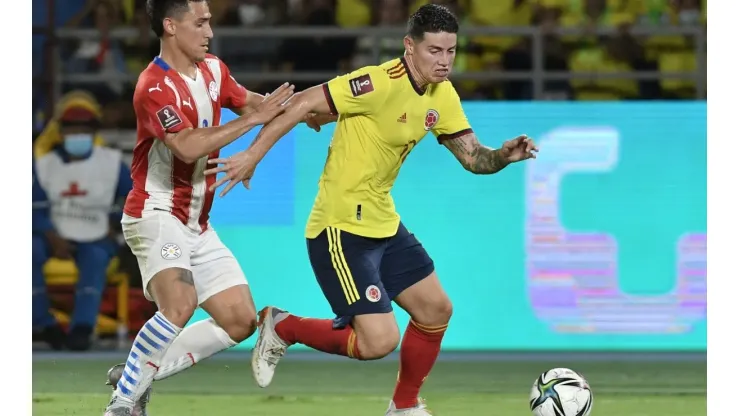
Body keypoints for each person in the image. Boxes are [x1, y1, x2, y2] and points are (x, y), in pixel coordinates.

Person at [207, 4, 539, 415]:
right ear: (409, 47)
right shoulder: (376, 82)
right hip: (340, 227)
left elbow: (472, 157)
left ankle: (405, 406)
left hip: (382, 221)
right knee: (378, 342)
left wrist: (502, 156)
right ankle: (281, 325)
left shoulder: (443, 94)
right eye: (435, 51)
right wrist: (253, 154)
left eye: (451, 51)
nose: (444, 61)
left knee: (436, 309)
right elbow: (301, 104)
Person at [102, 1, 297, 415]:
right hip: (155, 215)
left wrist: (311, 112)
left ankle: (137, 373)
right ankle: (123, 404)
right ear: (171, 26)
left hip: (197, 224)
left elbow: (252, 103)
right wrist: (252, 121)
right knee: (179, 306)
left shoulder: (213, 70)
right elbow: (188, 145)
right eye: (201, 23)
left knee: (241, 321)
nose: (209, 31)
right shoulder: (153, 85)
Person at [32, 102, 132, 352]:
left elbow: (134, 198)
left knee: (96, 258)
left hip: (97, 232)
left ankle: (82, 328)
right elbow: (33, 206)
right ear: (61, 132)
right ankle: (44, 324)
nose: (78, 135)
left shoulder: (111, 163)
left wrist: (115, 222)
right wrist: (51, 235)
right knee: (27, 252)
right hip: (52, 232)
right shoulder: (44, 165)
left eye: (84, 130)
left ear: (93, 132)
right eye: (72, 129)